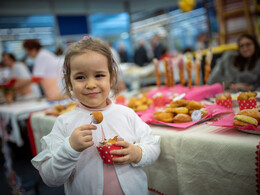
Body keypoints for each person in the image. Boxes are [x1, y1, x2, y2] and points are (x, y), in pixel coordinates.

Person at [31, 37, 160, 195]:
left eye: (99, 75)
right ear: (69, 83)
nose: (91, 84)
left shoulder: (126, 114)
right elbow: (50, 178)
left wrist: (137, 153)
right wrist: (69, 149)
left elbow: (153, 145)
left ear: (111, 78)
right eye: (80, 77)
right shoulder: (64, 123)